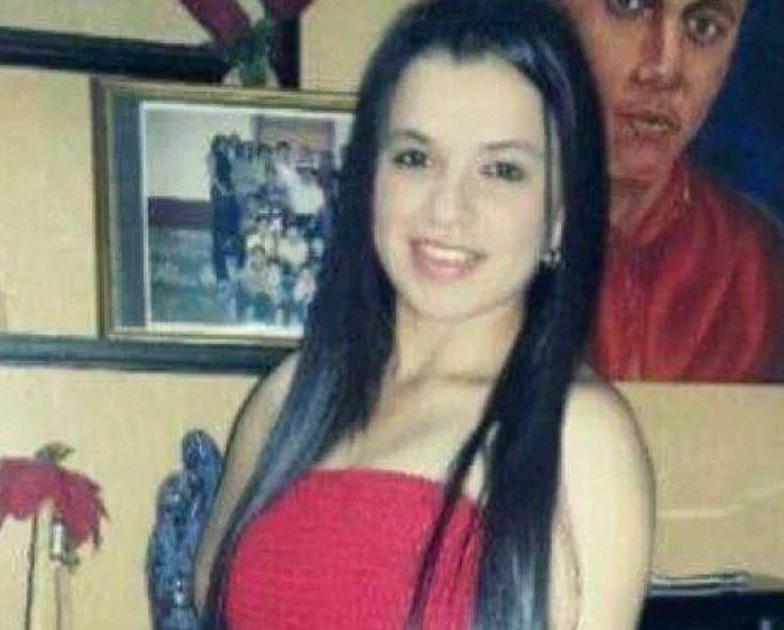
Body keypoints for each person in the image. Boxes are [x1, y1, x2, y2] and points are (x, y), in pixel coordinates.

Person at [192, 0, 654, 628]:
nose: (445, 209)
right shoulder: (287, 398)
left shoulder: (582, 435)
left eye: (501, 170)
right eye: (414, 158)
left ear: (560, 214)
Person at [560, 0, 784, 382]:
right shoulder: (486, 226)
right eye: (628, 6)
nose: (665, 69)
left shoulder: (749, 264)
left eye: (704, 26)